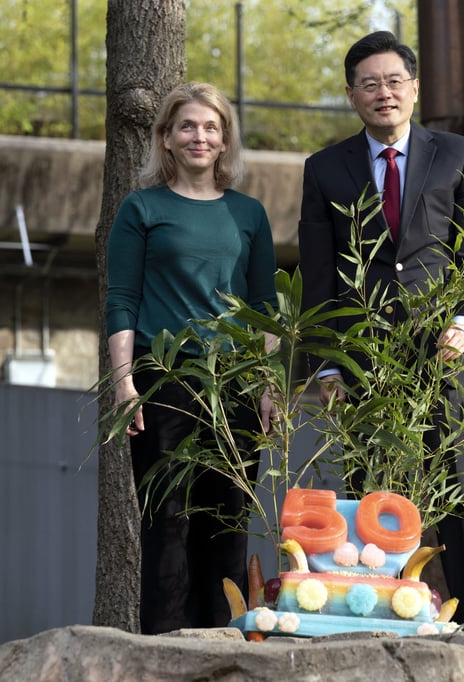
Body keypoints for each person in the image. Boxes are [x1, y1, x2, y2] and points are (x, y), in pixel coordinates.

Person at [298, 31, 464, 633]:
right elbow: (318, 278)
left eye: (394, 81)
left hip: (448, 357)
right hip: (366, 367)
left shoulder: (460, 155)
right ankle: (375, 626)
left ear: (414, 89)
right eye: (369, 84)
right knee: (372, 502)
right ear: (351, 95)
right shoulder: (323, 169)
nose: (383, 93)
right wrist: (328, 365)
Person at [105, 81, 278, 634]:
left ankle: (226, 645)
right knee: (168, 521)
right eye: (187, 126)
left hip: (236, 386)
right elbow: (122, 300)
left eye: (211, 127)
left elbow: (264, 306)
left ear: (225, 140)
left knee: (228, 522)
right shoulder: (143, 208)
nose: (199, 136)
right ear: (166, 138)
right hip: (166, 382)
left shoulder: (248, 214)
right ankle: (164, 650)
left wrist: (268, 385)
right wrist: (124, 383)